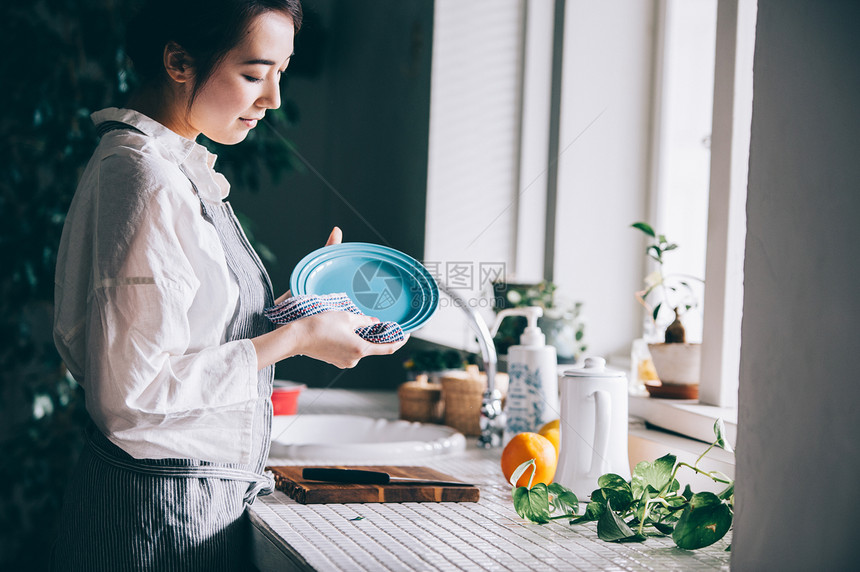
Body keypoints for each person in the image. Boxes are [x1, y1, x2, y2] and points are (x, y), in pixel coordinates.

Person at [50, 0, 406, 569]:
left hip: (187, 503)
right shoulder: (146, 179)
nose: (274, 99)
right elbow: (132, 397)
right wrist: (299, 337)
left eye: (280, 73)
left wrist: (305, 310)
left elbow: (187, 332)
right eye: (253, 73)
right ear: (177, 62)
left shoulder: (168, 166)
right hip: (157, 516)